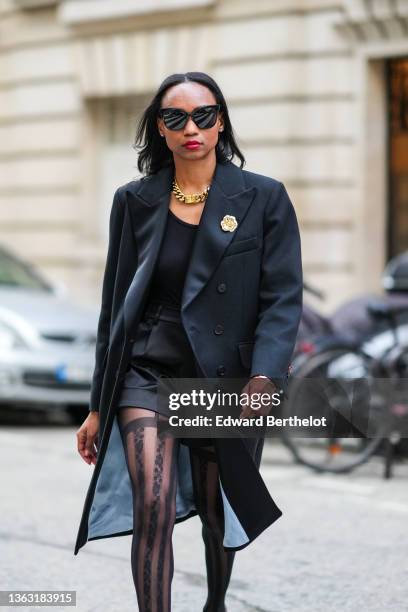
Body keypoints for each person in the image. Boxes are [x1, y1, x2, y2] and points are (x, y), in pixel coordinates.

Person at [75, 71, 303, 612]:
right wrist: (96, 406)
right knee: (151, 506)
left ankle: (216, 603)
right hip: (147, 373)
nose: (191, 128)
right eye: (175, 118)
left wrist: (266, 376)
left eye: (203, 115)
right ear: (160, 128)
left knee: (215, 509)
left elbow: (281, 298)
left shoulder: (263, 198)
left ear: (220, 121)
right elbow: (115, 307)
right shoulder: (134, 201)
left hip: (221, 377)